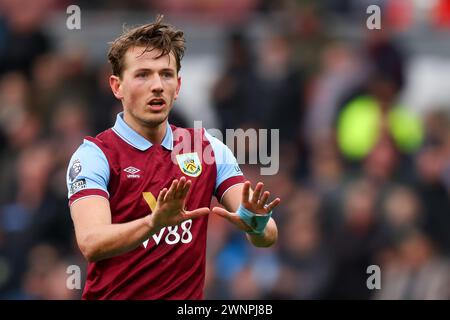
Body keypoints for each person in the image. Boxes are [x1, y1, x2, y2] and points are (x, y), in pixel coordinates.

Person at [65, 15, 280, 300]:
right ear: (117, 86)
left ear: (177, 86)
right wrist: (154, 223)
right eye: (143, 74)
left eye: (165, 74)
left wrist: (255, 223)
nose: (157, 85)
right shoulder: (95, 155)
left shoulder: (207, 149)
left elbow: (267, 235)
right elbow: (91, 242)